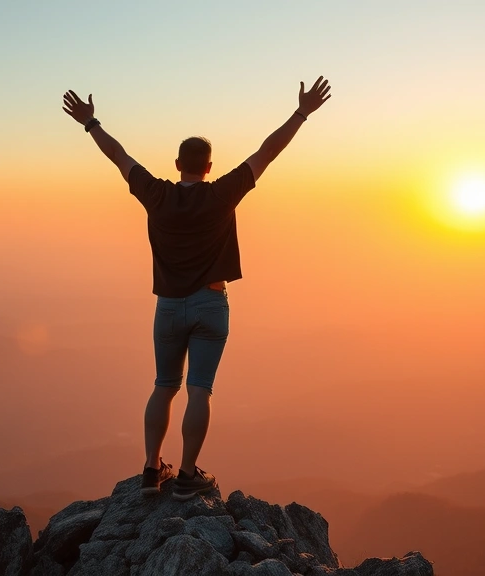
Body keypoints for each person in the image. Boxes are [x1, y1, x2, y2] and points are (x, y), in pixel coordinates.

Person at [62, 77, 332, 500]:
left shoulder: (155, 194)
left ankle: (152, 470)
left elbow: (119, 155)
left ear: (176, 164)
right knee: (199, 390)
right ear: (208, 167)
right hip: (211, 304)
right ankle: (187, 475)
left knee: (164, 385)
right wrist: (301, 113)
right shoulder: (222, 193)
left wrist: (91, 123)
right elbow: (268, 151)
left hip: (168, 307)